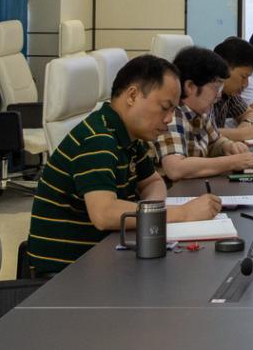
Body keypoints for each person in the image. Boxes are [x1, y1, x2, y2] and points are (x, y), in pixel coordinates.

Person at [27, 55, 222, 274]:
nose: (169, 119)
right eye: (164, 108)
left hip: (103, 256)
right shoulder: (98, 139)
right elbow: (104, 214)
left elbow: (153, 182)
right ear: (132, 95)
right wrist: (182, 213)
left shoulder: (129, 136)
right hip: (67, 274)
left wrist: (150, 212)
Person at [155, 47, 253, 180]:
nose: (219, 95)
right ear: (190, 87)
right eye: (215, 88)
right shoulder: (172, 116)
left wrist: (229, 146)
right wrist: (232, 162)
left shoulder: (201, 112)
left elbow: (215, 142)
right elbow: (175, 168)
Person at [212, 36, 253, 142]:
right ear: (225, 68)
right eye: (243, 77)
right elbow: (205, 133)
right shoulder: (203, 90)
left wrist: (245, 127)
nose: (246, 84)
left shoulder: (228, 92)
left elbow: (250, 113)